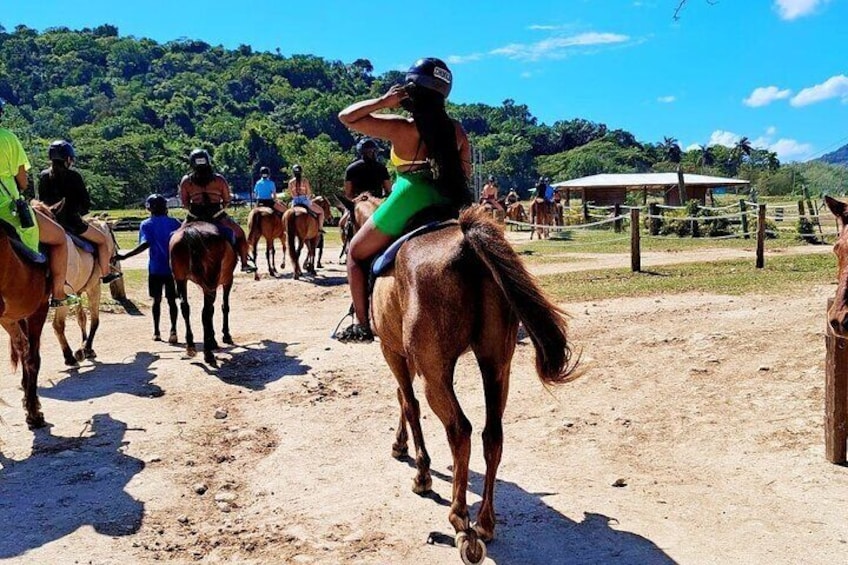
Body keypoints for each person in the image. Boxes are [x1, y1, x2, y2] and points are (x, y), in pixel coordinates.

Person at [337, 57, 472, 342]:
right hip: (449, 197)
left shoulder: (401, 127)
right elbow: (465, 171)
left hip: (409, 194)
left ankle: (361, 324)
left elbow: (346, 117)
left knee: (355, 254)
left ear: (411, 89)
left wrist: (384, 101)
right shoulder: (458, 130)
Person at [0, 99, 77, 307]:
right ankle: (59, 293)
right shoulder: (8, 139)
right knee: (60, 238)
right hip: (7, 210)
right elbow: (23, 182)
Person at [37, 140, 122, 285]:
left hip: (49, 223)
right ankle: (106, 273)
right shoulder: (74, 176)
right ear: (68, 159)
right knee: (102, 240)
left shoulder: (44, 175)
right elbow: (85, 203)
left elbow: (42, 201)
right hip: (72, 223)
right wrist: (79, 213)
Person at [178, 148, 256, 273]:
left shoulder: (186, 181)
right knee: (240, 233)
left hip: (195, 214)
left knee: (177, 236)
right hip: (216, 213)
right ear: (208, 162)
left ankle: (174, 264)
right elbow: (226, 199)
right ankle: (245, 263)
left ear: (192, 163)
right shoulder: (219, 179)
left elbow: (185, 203)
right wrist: (221, 207)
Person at [115, 194, 181, 341]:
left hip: (155, 269)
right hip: (173, 269)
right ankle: (173, 331)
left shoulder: (146, 224)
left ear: (149, 208)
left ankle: (157, 332)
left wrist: (125, 256)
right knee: (172, 301)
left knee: (156, 300)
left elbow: (145, 244)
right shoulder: (175, 223)